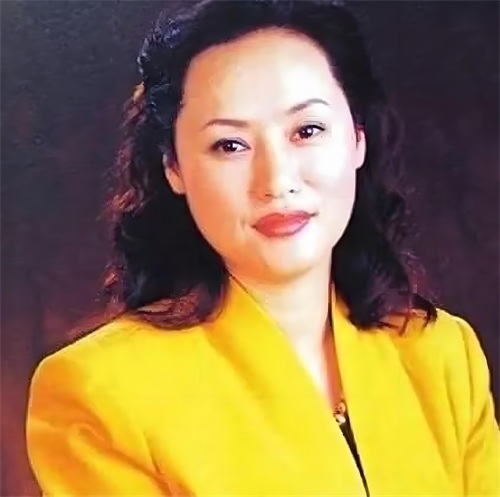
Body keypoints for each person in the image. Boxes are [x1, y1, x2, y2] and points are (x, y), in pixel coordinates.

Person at [26, 0, 499, 495]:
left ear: (357, 138)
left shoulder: (441, 353)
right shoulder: (102, 393)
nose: (276, 181)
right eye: (229, 145)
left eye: (307, 131)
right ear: (174, 168)